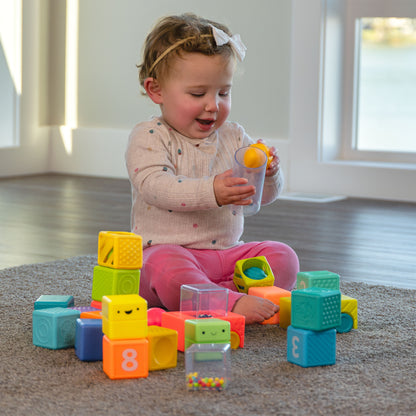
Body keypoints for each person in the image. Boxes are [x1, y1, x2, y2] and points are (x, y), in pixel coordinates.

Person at [126, 13, 299, 324]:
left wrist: (268, 175)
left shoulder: (234, 136)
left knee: (283, 256)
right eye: (197, 94)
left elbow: (259, 197)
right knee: (167, 269)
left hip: (226, 256)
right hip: (167, 253)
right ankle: (225, 300)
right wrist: (213, 191)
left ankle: (213, 296)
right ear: (156, 91)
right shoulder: (149, 136)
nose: (213, 105)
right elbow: (156, 187)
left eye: (224, 92)